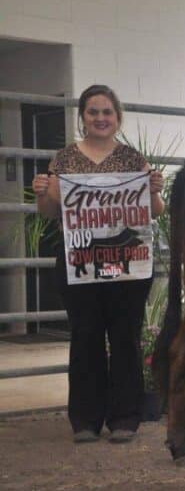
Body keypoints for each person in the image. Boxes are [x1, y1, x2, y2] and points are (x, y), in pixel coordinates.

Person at [32, 84, 165, 444]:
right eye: (93, 112)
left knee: (125, 337)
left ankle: (125, 418)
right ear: (83, 117)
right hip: (79, 262)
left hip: (128, 263)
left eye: (107, 112)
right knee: (85, 337)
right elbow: (48, 212)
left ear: (117, 117)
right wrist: (42, 192)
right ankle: (85, 421)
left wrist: (154, 188)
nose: (100, 118)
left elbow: (154, 211)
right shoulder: (62, 160)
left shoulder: (134, 159)